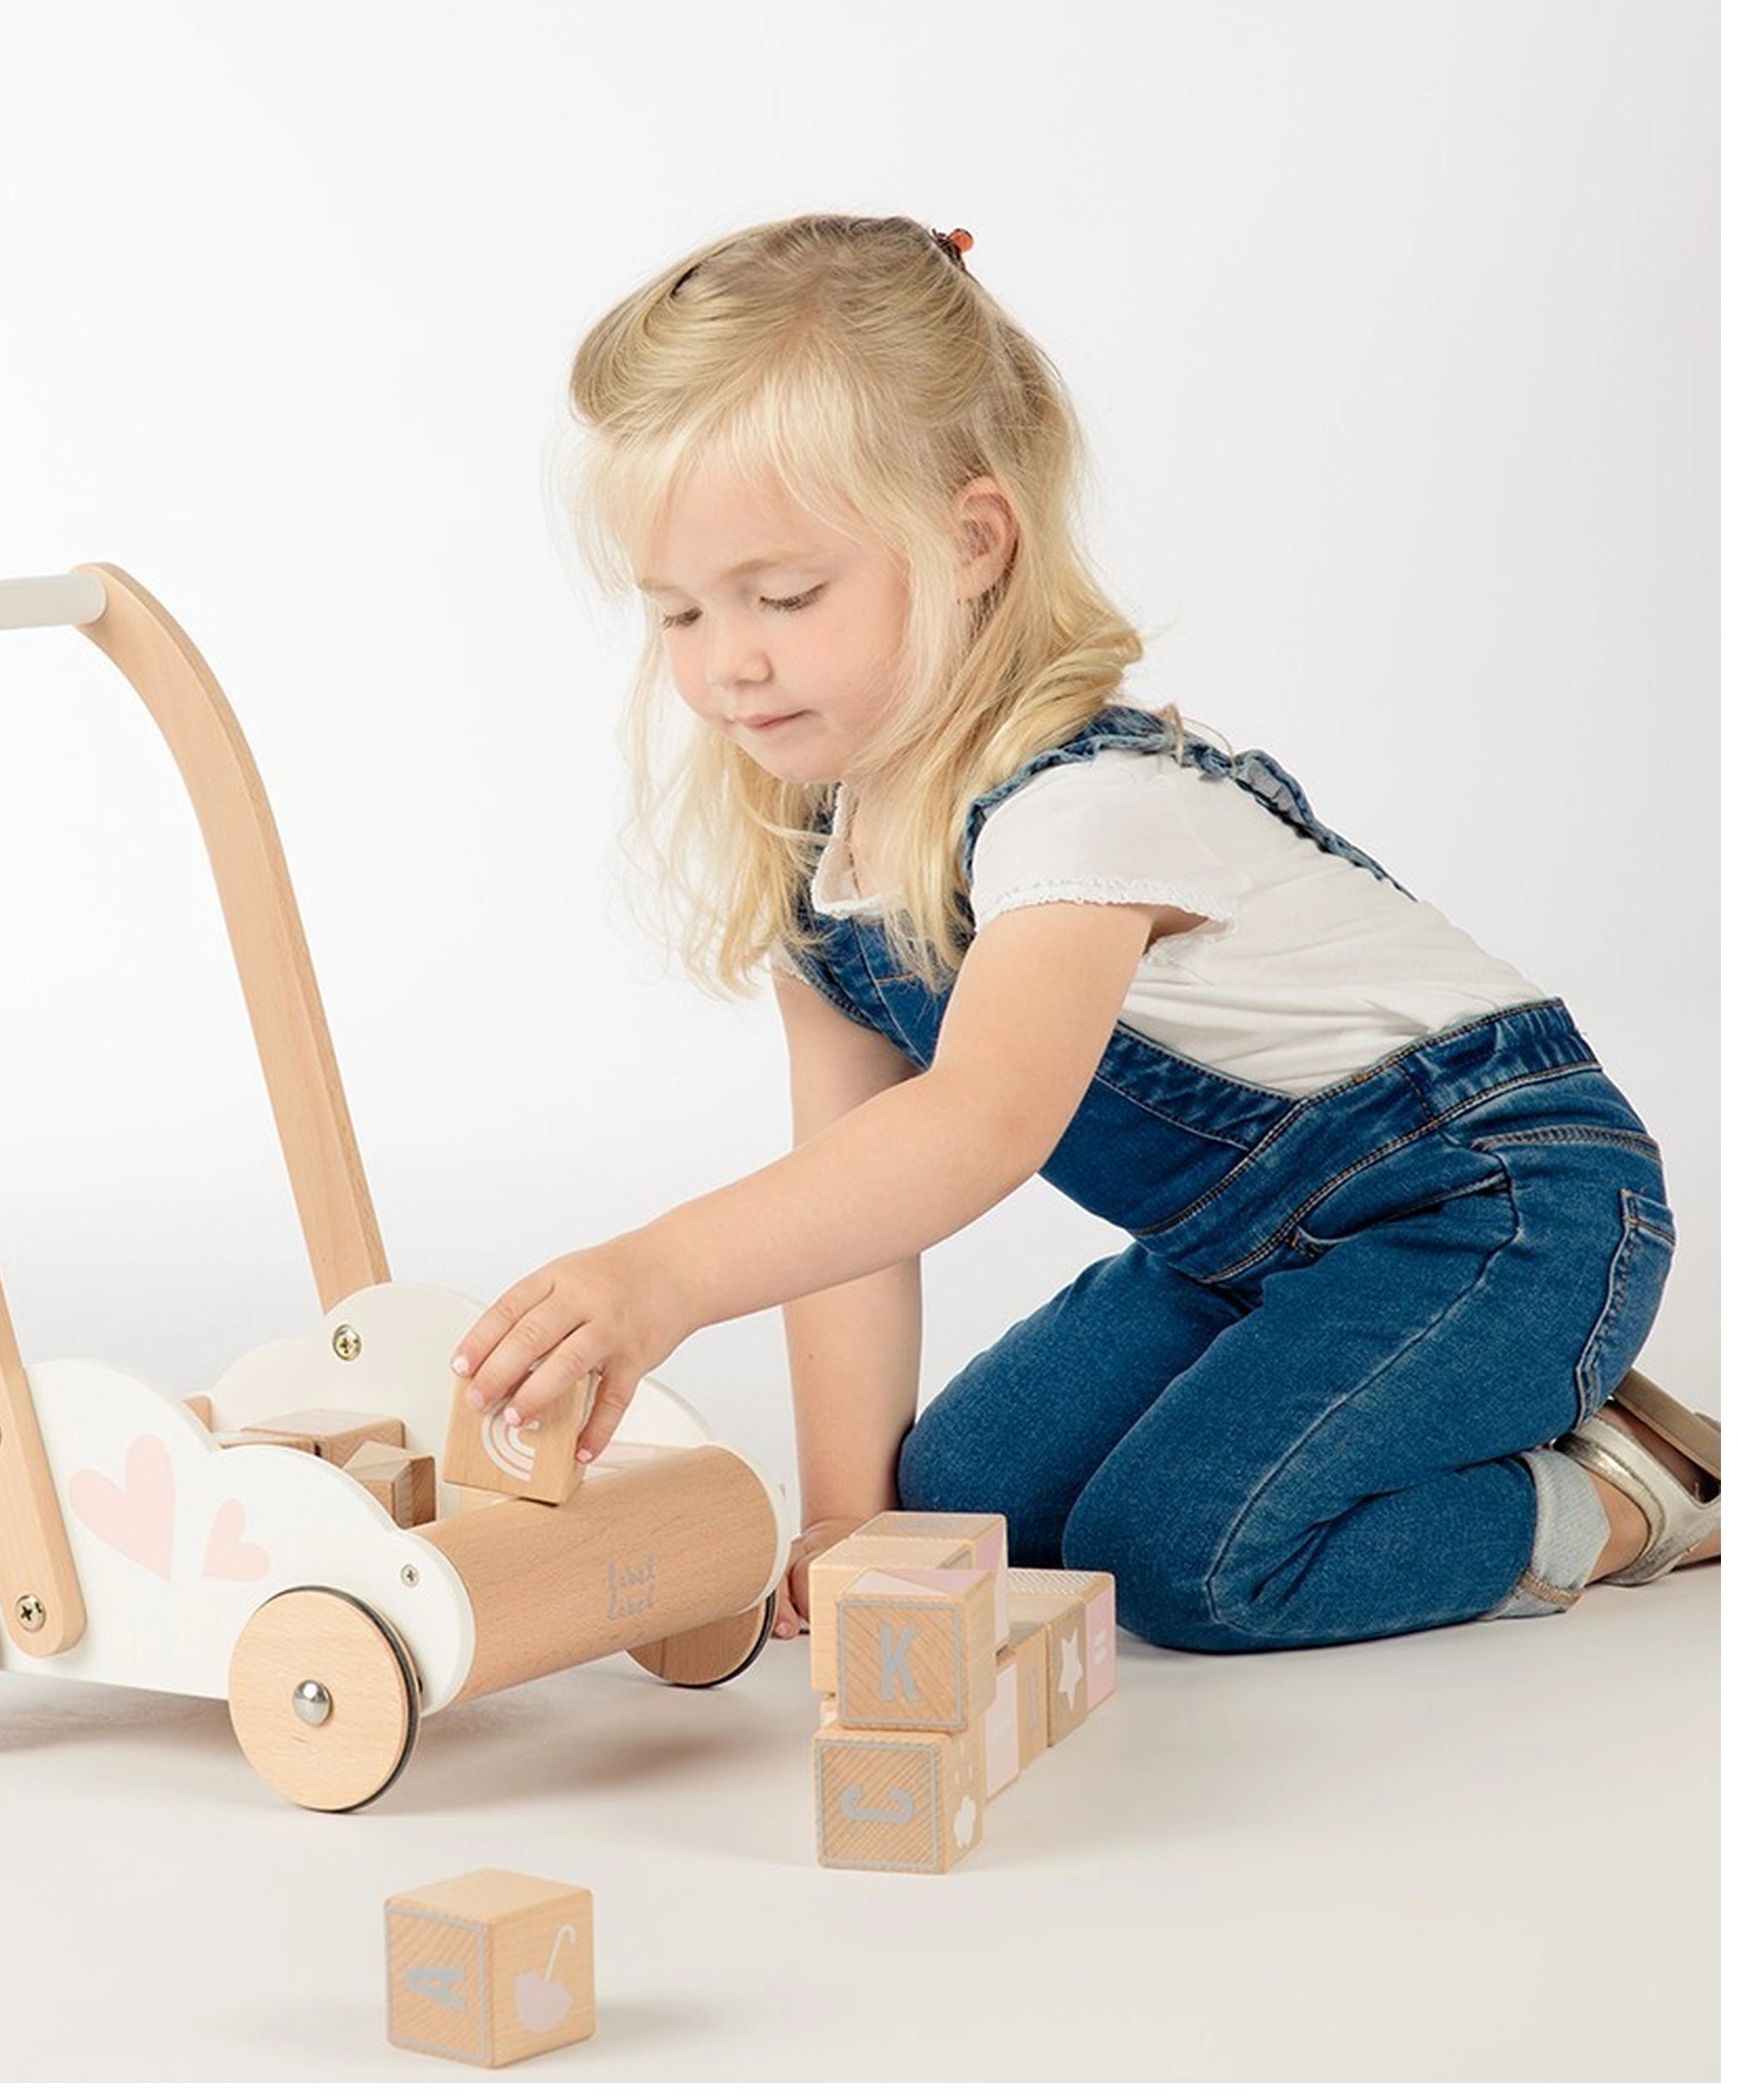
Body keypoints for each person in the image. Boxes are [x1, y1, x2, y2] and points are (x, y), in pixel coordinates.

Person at [446, 212, 1718, 1653]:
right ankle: (1396, 1401)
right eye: (678, 613)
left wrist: (665, 1272)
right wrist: (849, 1521)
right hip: (1243, 1253)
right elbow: (851, 1211)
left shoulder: (1082, 810)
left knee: (1185, 1559)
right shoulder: (824, 867)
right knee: (961, 1501)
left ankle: (1629, 1496)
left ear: (970, 542)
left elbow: (978, 1126)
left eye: (785, 596)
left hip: (1498, 1205)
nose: (728, 661)